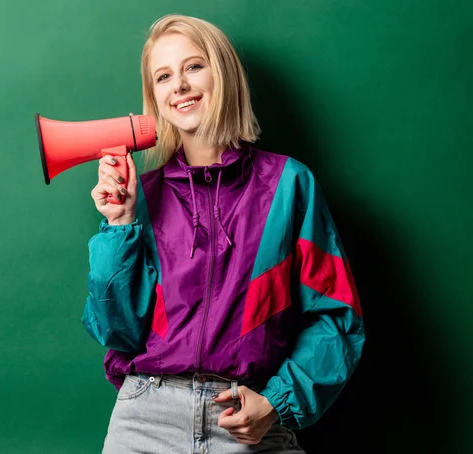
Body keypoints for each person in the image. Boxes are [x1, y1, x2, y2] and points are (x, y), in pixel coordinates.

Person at [83, 14, 365, 454]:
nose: (179, 84)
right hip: (145, 420)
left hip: (249, 422)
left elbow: (335, 316)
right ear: (155, 96)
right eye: (163, 76)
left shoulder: (290, 184)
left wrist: (276, 402)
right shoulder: (143, 196)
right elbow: (117, 330)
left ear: (224, 74)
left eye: (194, 66)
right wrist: (119, 225)